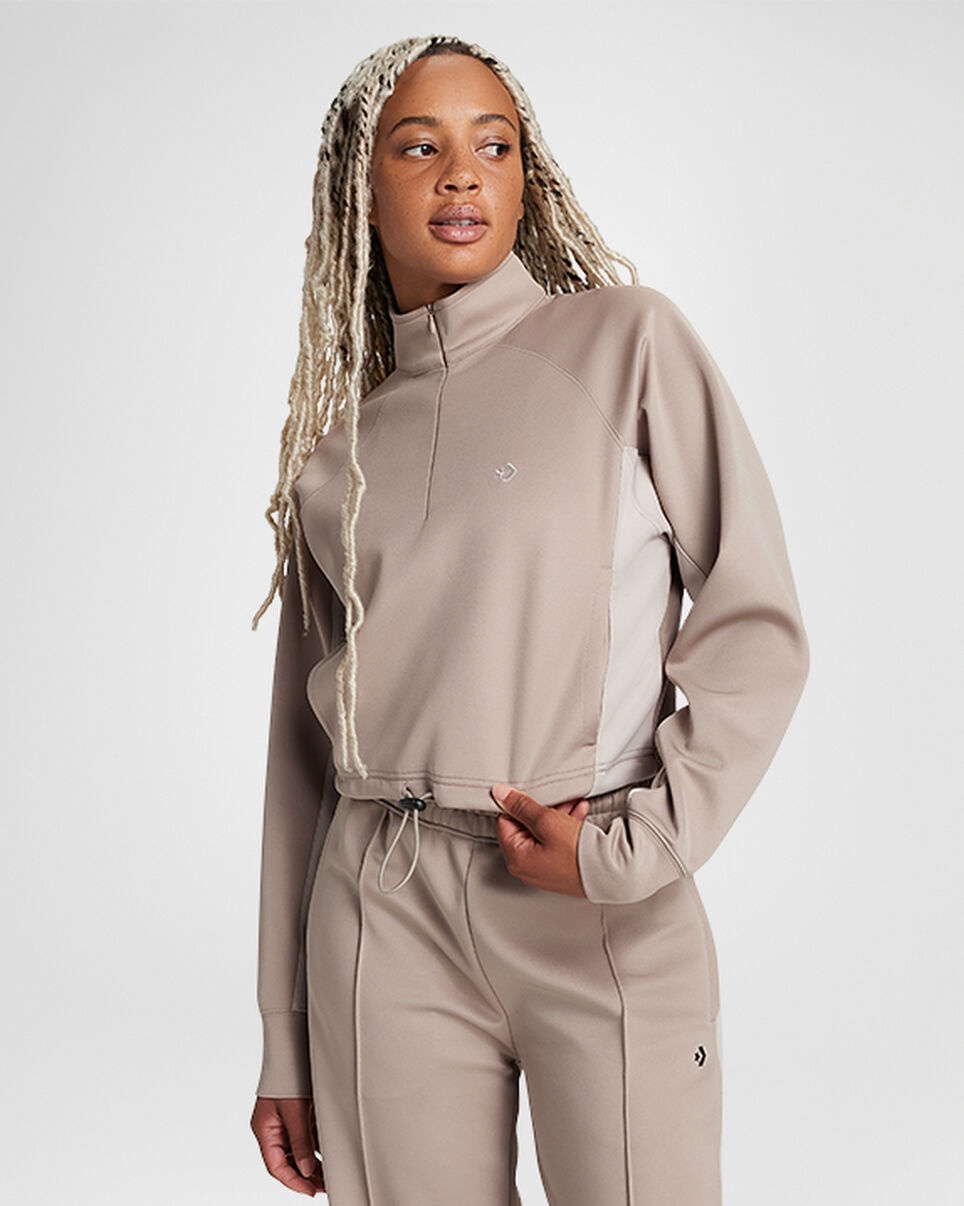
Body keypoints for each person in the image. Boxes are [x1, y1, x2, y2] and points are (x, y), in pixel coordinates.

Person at [248, 33, 809, 1206]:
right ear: (359, 188)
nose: (463, 173)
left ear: (525, 177)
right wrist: (284, 1032)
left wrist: (640, 843)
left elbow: (755, 622)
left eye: (493, 146)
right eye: (420, 147)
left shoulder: (626, 344)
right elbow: (302, 761)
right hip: (381, 914)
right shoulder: (338, 458)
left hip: (594, 893)